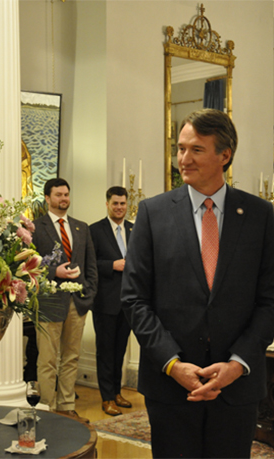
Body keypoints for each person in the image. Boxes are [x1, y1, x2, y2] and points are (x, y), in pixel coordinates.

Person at [121, 109, 274, 458]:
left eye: (196, 150)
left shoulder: (259, 216)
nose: (183, 160)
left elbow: (270, 300)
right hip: (171, 386)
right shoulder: (152, 213)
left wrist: (238, 364)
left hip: (236, 387)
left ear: (225, 155)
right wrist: (173, 364)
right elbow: (134, 299)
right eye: (180, 149)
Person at [32, 178, 97, 423]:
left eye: (66, 194)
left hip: (77, 302)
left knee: (71, 357)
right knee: (48, 359)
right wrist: (53, 272)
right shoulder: (36, 227)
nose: (64, 199)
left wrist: (89, 294)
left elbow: (90, 266)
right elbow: (28, 265)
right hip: (49, 302)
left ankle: (67, 407)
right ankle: (48, 409)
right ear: (47, 198)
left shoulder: (82, 227)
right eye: (58, 195)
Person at [89, 186, 134, 416]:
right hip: (105, 302)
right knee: (105, 351)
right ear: (107, 204)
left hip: (128, 302)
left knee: (119, 351)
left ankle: (117, 392)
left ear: (127, 205)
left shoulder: (134, 229)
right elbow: (88, 264)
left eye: (123, 203)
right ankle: (106, 398)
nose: (119, 207)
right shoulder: (95, 230)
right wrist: (111, 265)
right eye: (115, 203)